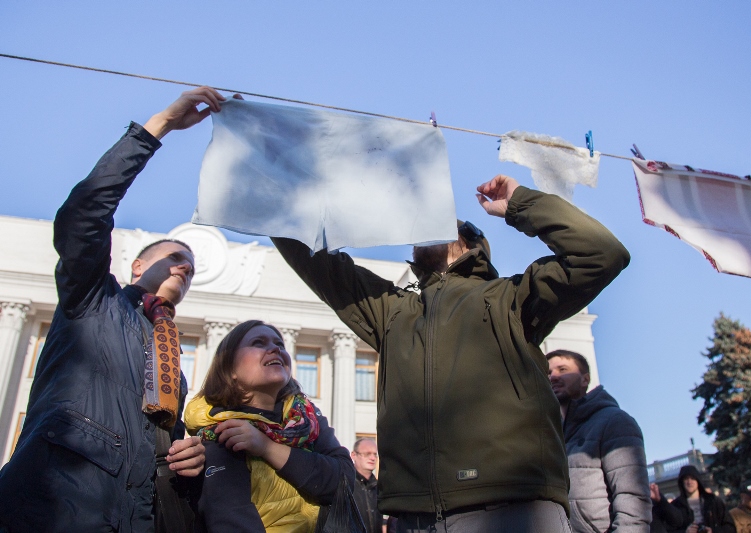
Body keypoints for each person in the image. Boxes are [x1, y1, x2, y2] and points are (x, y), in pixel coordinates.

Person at [272, 174, 630, 531]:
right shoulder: (392, 312)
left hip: (513, 508)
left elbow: (602, 254)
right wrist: (261, 171)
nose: (430, 229)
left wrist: (519, 202)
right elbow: (311, 257)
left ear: (473, 245)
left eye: (445, 226)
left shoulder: (510, 300)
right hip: (414, 519)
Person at [0, 87, 224, 532]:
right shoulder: (92, 299)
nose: (185, 267)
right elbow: (84, 214)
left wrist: (187, 452)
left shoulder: (169, 360)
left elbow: (148, 442)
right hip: (54, 509)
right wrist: (156, 127)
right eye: (175, 256)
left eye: (193, 268)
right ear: (137, 265)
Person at [183, 320, 355, 532]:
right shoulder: (219, 431)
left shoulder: (308, 420)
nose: (276, 349)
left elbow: (344, 482)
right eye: (258, 342)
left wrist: (266, 447)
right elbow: (231, 521)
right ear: (229, 368)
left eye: (280, 344)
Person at [546, 349, 651, 532]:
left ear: (585, 379)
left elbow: (633, 501)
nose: (553, 376)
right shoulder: (551, 434)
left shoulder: (615, 421)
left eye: (562, 369)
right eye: (548, 372)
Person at [671, 465, 735, 533]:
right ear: (682, 482)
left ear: (698, 480)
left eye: (692, 478)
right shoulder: (676, 506)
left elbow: (730, 527)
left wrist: (713, 531)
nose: (689, 482)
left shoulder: (713, 501)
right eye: (686, 479)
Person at [351, 437, 383, 533]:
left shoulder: (379, 488)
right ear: (354, 455)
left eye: (375, 454)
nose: (372, 458)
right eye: (367, 454)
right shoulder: (345, 485)